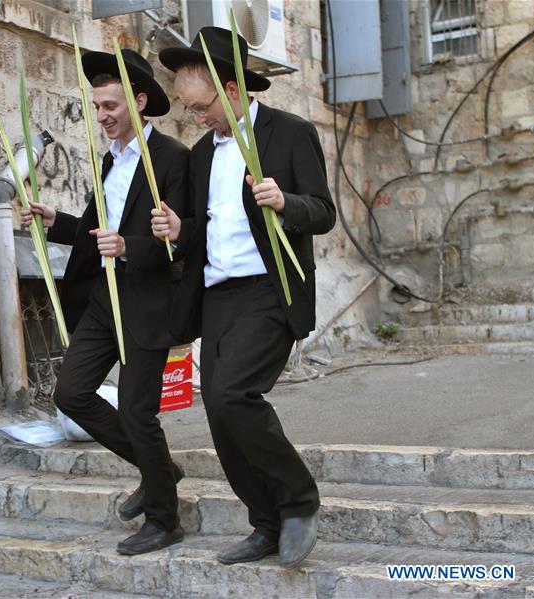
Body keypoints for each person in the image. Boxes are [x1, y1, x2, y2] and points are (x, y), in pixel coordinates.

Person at [151, 27, 336, 567]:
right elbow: (205, 232)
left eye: (203, 106)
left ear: (233, 91)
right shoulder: (203, 153)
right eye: (189, 110)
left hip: (269, 288)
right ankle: (265, 523)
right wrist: (177, 230)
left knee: (233, 395)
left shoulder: (291, 133)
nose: (197, 118)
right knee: (220, 411)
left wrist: (286, 202)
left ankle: (299, 502)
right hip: (217, 293)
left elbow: (322, 212)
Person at [21, 48, 190, 555]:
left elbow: (181, 243)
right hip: (101, 297)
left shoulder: (173, 161)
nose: (102, 116)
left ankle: (165, 520)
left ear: (139, 102)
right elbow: (102, 231)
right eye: (96, 107)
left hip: (148, 302)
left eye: (111, 105)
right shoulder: (107, 161)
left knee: (139, 413)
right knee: (71, 393)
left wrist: (131, 248)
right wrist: (60, 222)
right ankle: (159, 468)